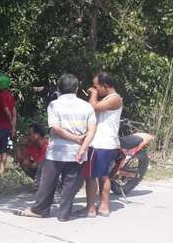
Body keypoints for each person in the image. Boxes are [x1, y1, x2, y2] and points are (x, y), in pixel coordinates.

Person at [14, 73, 96, 221]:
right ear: (76, 89)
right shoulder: (87, 106)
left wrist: (75, 138)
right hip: (78, 152)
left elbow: (55, 129)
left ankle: (40, 210)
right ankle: (64, 213)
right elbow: (92, 130)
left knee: (48, 182)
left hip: (57, 152)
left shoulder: (54, 105)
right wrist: (82, 147)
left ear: (59, 88)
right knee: (70, 183)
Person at [82, 72, 123, 217]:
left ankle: (91, 208)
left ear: (104, 86)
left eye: (95, 86)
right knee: (103, 175)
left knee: (92, 176)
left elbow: (93, 107)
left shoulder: (115, 99)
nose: (93, 89)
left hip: (100, 143)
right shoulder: (108, 98)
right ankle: (103, 207)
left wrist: (92, 94)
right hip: (105, 143)